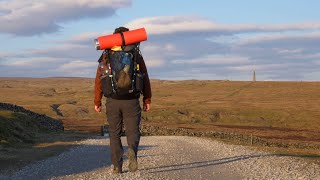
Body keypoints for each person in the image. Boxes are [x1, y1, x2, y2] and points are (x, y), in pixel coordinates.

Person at [94, 26, 152, 174]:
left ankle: (117, 166)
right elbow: (145, 77)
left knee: (114, 133)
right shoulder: (135, 54)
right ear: (129, 37)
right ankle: (132, 150)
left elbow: (99, 80)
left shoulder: (107, 54)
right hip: (132, 100)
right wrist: (147, 99)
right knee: (133, 132)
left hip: (113, 100)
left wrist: (97, 102)